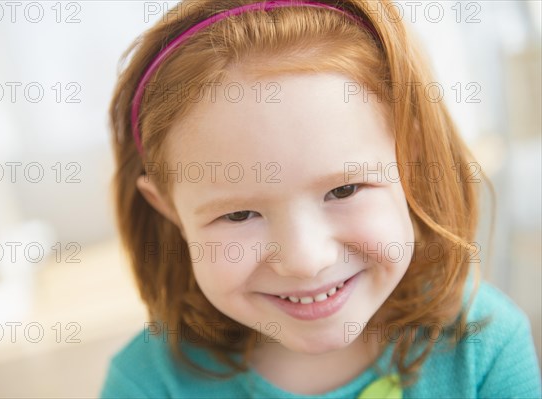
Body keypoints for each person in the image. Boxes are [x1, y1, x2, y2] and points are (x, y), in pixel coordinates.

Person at [100, 1, 542, 397]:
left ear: (413, 165)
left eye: (344, 190)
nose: (304, 260)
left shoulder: (485, 346)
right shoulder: (145, 384)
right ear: (169, 210)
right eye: (238, 214)